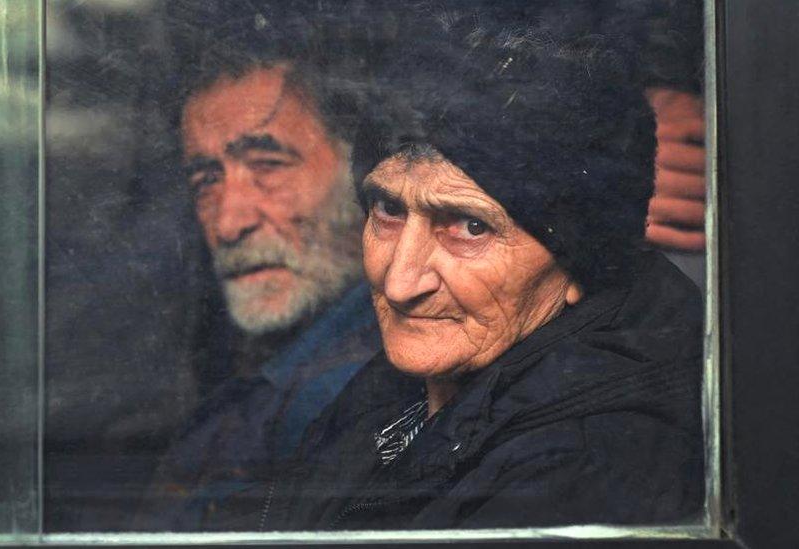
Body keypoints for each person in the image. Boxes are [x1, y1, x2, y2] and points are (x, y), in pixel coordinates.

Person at [263, 11, 704, 530]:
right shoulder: (419, 384)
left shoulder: (572, 475)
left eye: (470, 228)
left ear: (579, 263)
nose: (401, 282)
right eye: (388, 210)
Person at [132, 3, 381, 531]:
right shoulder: (259, 385)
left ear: (363, 172)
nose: (228, 222)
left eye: (268, 165)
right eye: (205, 179)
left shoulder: (374, 391)